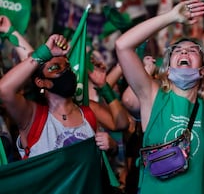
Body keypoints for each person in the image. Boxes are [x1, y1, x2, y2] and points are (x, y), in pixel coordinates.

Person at [115, 0, 204, 194]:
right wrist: (171, 17)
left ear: (203, 70)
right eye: (178, 51)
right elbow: (123, 46)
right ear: (169, 67)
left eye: (192, 50)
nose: (184, 52)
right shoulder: (152, 96)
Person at [0, 16, 130, 159]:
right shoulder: (31, 116)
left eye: (67, 66)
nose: (64, 71)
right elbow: (5, 89)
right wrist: (44, 51)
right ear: (40, 82)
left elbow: (122, 123)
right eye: (55, 67)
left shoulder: (87, 112)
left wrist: (103, 85)